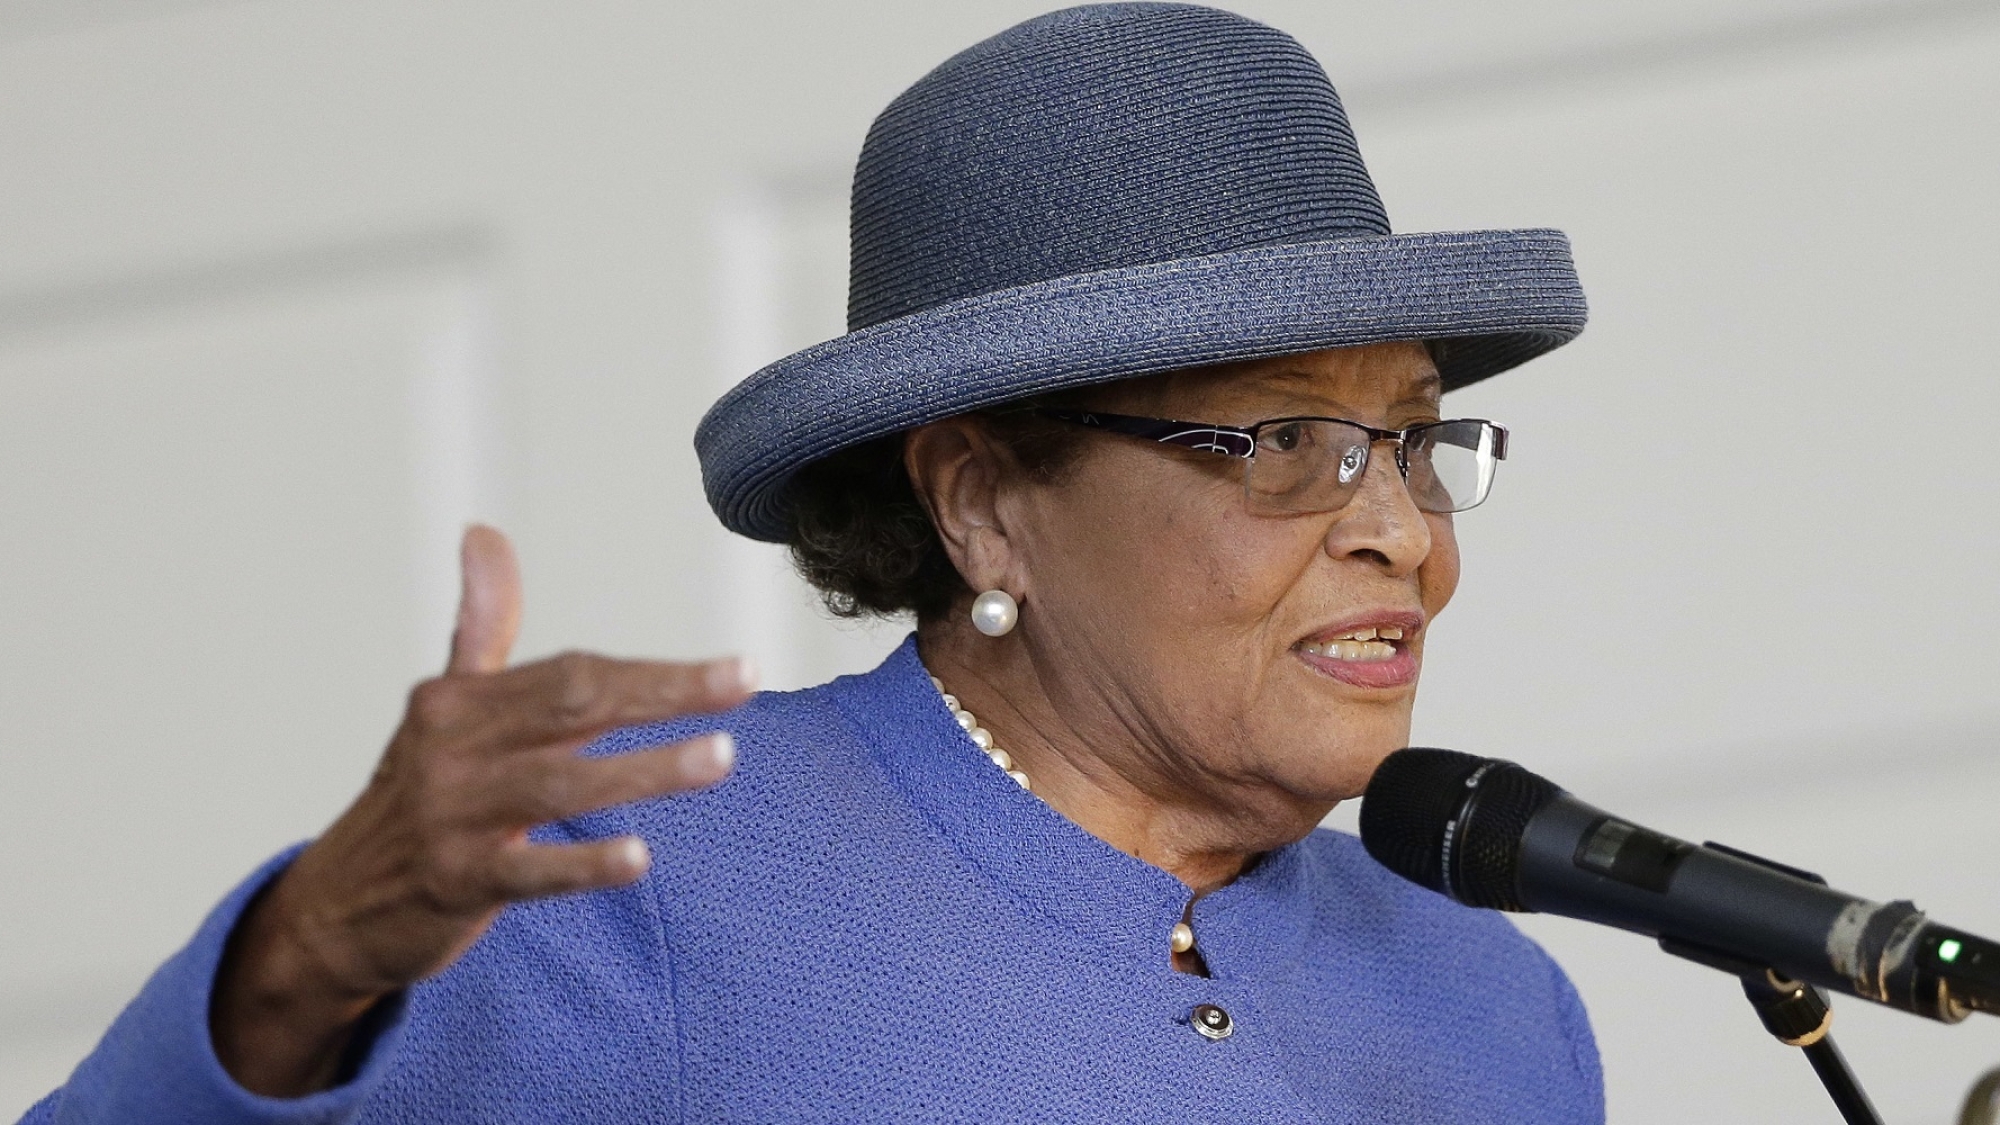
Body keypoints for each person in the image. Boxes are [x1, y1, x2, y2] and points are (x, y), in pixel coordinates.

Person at [22, 4, 1603, 1122]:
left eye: (1411, 437)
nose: (1397, 523)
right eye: (1280, 441)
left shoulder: (1493, 1003)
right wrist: (299, 959)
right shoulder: (644, 872)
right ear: (984, 503)